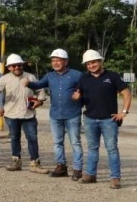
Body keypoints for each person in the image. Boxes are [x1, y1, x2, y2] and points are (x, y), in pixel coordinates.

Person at [74, 49, 131, 189]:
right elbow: (77, 94)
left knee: (112, 149)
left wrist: (124, 112)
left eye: (93, 62)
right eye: (88, 64)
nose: (91, 65)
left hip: (109, 120)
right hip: (89, 119)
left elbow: (126, 93)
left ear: (100, 61)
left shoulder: (112, 76)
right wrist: (75, 97)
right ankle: (91, 174)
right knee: (92, 148)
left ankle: (115, 178)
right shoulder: (83, 78)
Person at [25, 49, 84, 180]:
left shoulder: (77, 75)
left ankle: (78, 169)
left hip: (72, 114)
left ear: (66, 61)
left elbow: (86, 89)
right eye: (53, 60)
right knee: (57, 142)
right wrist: (29, 83)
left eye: (58, 60)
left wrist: (81, 96)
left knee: (75, 143)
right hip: (55, 115)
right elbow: (38, 84)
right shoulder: (49, 76)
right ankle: (61, 166)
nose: (55, 63)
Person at [0, 54, 49, 174]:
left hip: (28, 113)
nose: (17, 67)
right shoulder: (4, 79)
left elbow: (41, 90)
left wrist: (39, 100)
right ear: (9, 67)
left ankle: (34, 163)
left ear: (22, 65)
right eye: (13, 65)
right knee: (14, 138)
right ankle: (16, 161)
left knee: (32, 138)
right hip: (11, 114)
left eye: (19, 65)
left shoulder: (30, 77)